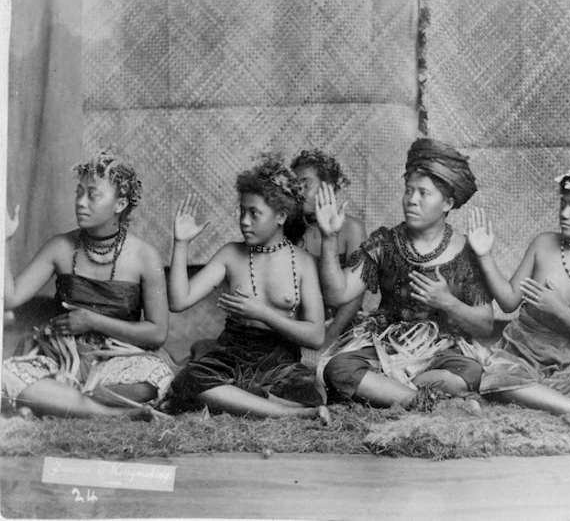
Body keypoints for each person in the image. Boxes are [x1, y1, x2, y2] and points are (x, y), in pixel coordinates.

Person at [315, 138, 494, 408]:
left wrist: (447, 302)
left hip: (441, 354)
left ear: (447, 203)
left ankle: (388, 392)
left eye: (424, 193)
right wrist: (329, 238)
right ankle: (423, 401)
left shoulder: (466, 252)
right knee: (338, 370)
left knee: (469, 374)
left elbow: (485, 324)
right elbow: (337, 295)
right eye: (408, 190)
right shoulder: (384, 243)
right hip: (386, 349)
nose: (411, 200)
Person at [2, 148, 174, 419]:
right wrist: (5, 240)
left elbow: (157, 333)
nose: (81, 202)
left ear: (119, 204)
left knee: (158, 377)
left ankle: (61, 402)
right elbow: (10, 299)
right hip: (62, 359)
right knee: (5, 373)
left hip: (118, 362)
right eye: (78, 192)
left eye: (92, 195)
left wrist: (93, 321)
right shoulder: (59, 246)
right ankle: (111, 414)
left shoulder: (144, 256)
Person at [167, 157, 329, 421]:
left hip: (280, 359)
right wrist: (180, 243)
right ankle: (290, 414)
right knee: (188, 379)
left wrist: (263, 313)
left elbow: (316, 337)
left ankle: (242, 401)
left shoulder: (303, 262)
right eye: (241, 211)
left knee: (310, 390)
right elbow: (178, 301)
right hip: (232, 351)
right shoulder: (231, 254)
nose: (244, 221)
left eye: (254, 213)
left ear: (280, 216)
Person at [467, 164, 570, 422]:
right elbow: (509, 301)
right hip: (522, 352)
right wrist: (484, 255)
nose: (563, 214)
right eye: (562, 204)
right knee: (502, 375)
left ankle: (527, 397)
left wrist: (561, 310)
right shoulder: (544, 244)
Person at [290, 149, 367, 349]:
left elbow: (355, 296)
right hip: (300, 328)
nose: (299, 192)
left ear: (329, 186)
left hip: (341, 327)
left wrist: (329, 338)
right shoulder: (289, 229)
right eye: (294, 185)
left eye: (306, 184)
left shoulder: (353, 229)